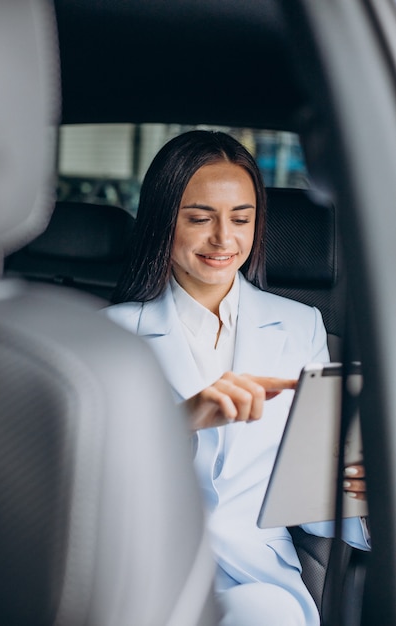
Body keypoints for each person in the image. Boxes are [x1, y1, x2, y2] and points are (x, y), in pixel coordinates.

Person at [104, 130, 369, 626]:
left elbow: (310, 496)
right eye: (200, 218)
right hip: (137, 565)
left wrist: (360, 495)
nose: (224, 239)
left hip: (258, 576)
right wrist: (179, 420)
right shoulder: (109, 334)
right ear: (164, 221)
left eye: (241, 219)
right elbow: (84, 473)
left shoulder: (300, 326)